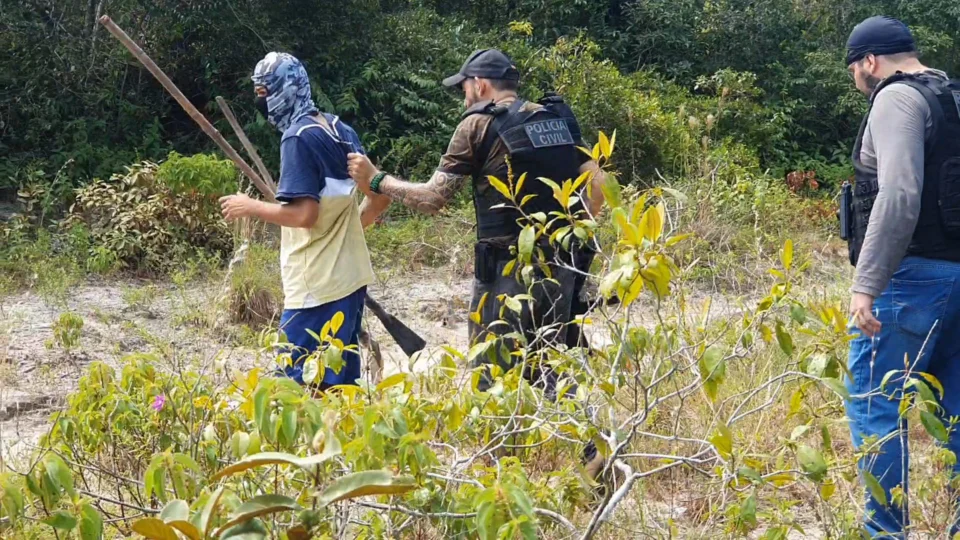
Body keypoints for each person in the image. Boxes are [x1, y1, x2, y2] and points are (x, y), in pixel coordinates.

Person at [346, 48, 605, 397]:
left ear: (480, 84)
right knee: (550, 363)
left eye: (464, 88)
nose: (464, 98)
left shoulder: (478, 124)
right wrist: (569, 231)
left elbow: (433, 199)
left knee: (491, 372)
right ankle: (587, 445)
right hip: (560, 265)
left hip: (504, 273)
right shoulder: (554, 118)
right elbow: (600, 184)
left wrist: (378, 181)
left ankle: (496, 449)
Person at [841, 16, 960, 536]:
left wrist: (866, 284)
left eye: (854, 69)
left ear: (870, 61)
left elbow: (898, 194)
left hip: (910, 281)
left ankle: (885, 532)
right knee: (954, 411)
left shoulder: (896, 98)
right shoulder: (952, 95)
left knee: (874, 405)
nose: (856, 79)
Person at [220, 52, 390, 390]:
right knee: (340, 384)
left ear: (286, 89)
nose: (261, 102)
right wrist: (344, 232)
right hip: (352, 280)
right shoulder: (341, 130)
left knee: (293, 387)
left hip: (315, 287)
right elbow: (379, 198)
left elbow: (305, 215)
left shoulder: (297, 138)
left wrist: (248, 206)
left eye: (264, 93)